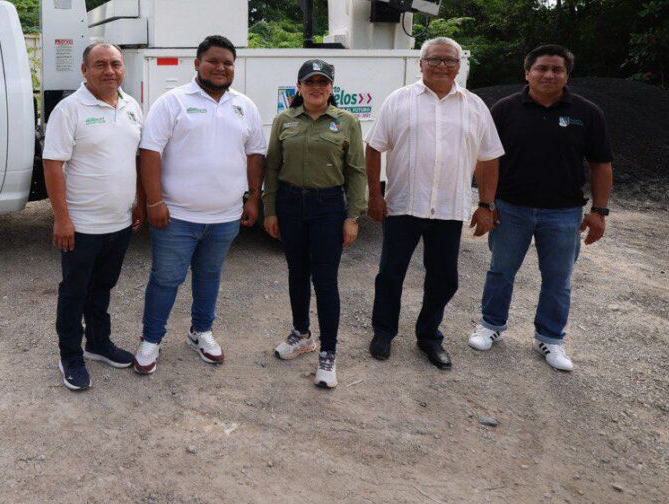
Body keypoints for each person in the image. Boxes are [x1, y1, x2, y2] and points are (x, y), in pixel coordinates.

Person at [468, 45, 613, 372]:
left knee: (558, 279)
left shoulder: (587, 113)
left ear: (567, 75)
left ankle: (550, 338)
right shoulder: (505, 110)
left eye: (557, 69)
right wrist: (486, 203)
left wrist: (599, 211)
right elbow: (487, 159)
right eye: (541, 68)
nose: (549, 74)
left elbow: (601, 164)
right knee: (501, 270)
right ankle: (491, 325)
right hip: (510, 209)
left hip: (563, 213)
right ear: (527, 72)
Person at [366, 37, 504, 369]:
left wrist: (486, 204)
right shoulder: (398, 100)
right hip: (403, 205)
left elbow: (488, 158)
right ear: (421, 64)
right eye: (434, 59)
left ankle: (429, 336)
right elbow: (373, 147)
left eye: (449, 60)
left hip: (448, 208)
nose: (442, 65)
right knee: (390, 275)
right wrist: (375, 195)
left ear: (459, 66)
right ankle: (383, 332)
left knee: (443, 279)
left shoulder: (475, 106)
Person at [132, 35, 266, 375]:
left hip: (225, 217)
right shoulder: (172, 102)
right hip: (176, 216)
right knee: (166, 279)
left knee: (209, 275)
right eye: (213, 61)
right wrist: (154, 201)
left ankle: (200, 331)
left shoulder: (245, 106)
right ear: (197, 64)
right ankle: (151, 338)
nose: (221, 68)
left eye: (228, 63)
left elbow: (255, 154)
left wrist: (254, 197)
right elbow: (149, 152)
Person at [42, 43, 144, 391]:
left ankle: (98, 343)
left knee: (102, 287)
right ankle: (70, 355)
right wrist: (61, 218)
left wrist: (139, 202)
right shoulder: (69, 109)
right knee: (75, 292)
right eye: (100, 64)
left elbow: (135, 158)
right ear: (84, 70)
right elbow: (52, 164)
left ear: (123, 68)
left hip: (120, 223)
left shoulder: (132, 107)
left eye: (115, 64)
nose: (109, 71)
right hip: (82, 226)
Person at [264, 59, 367, 389]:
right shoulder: (284, 120)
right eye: (310, 81)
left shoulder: (346, 121)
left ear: (331, 87)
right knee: (297, 272)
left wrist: (353, 217)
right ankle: (302, 334)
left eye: (323, 82)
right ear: (299, 87)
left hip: (328, 207)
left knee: (325, 280)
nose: (316, 87)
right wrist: (270, 210)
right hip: (290, 204)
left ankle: (328, 352)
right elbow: (271, 167)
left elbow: (357, 172)